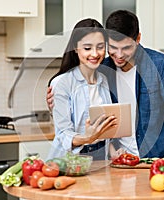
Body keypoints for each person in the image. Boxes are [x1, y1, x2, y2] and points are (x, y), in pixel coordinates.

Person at [47, 10, 164, 160]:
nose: (120, 55)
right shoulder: (104, 70)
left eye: (126, 48)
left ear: (138, 39)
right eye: (113, 48)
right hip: (122, 164)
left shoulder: (160, 65)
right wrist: (56, 104)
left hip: (157, 159)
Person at [46, 18, 118, 161]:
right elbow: (63, 135)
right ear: (75, 47)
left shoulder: (103, 80)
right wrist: (87, 138)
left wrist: (113, 152)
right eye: (87, 48)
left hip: (101, 156)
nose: (95, 53)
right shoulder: (61, 83)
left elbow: (103, 127)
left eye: (100, 47)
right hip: (70, 159)